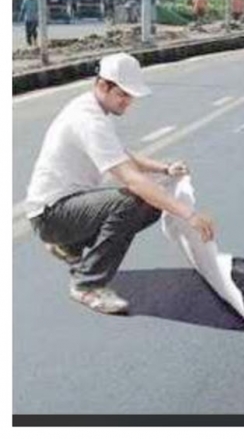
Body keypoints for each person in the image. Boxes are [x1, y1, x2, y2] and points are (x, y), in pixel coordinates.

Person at [24, 53, 218, 315]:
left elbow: (121, 155)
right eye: (123, 95)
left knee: (150, 200)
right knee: (136, 200)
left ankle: (69, 246)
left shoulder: (93, 108)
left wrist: (164, 168)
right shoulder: (88, 120)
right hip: (51, 215)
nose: (129, 102)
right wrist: (189, 214)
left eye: (131, 96)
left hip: (63, 206)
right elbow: (131, 179)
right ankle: (86, 285)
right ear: (103, 85)